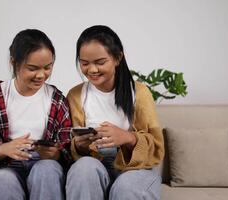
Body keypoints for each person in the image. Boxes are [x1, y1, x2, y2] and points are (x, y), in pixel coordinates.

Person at [0, 29, 73, 200]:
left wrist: (55, 154)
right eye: (32, 68)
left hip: (44, 163)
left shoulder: (57, 99)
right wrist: (3, 148)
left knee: (47, 171)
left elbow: (66, 146)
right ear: (14, 62)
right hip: (7, 165)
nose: (41, 75)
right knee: (1, 181)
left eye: (48, 67)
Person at [65, 25, 165, 200]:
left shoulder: (140, 93)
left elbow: (157, 148)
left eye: (100, 62)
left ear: (118, 58)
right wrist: (79, 145)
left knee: (125, 187)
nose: (92, 70)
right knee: (83, 169)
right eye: (84, 63)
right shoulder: (75, 95)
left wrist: (128, 138)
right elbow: (70, 147)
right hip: (97, 164)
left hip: (137, 168)